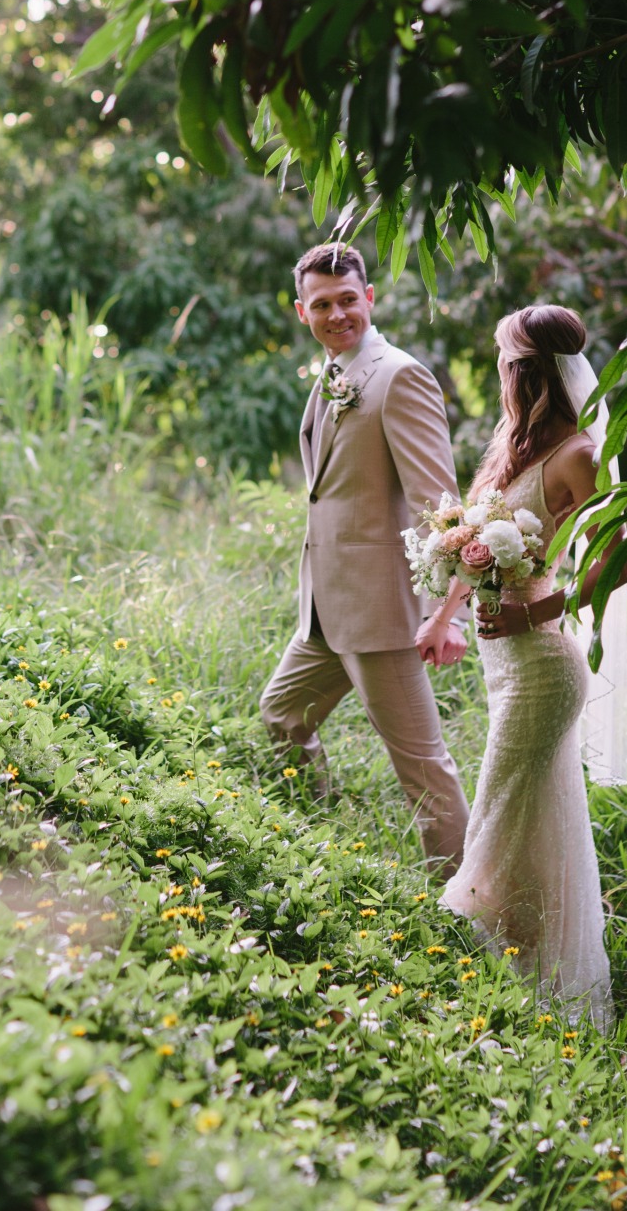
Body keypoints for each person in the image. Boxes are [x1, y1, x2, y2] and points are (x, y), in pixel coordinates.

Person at [416, 304, 622, 1028]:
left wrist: (536, 611)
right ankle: (525, 963)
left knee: (500, 812)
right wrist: (443, 619)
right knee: (532, 821)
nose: (503, 369)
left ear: (523, 367)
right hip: (503, 663)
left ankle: (468, 947)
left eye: (506, 358)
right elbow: (470, 542)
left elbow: (619, 555)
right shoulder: (513, 443)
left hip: (543, 663)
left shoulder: (577, 454)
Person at [258, 242, 471, 877]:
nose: (337, 314)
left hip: (382, 612)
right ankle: (314, 853)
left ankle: (461, 909)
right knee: (283, 714)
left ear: (369, 298)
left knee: (423, 768)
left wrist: (444, 613)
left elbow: (441, 503)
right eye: (322, 304)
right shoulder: (332, 374)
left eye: (348, 299)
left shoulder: (398, 375)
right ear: (303, 312)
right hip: (327, 608)